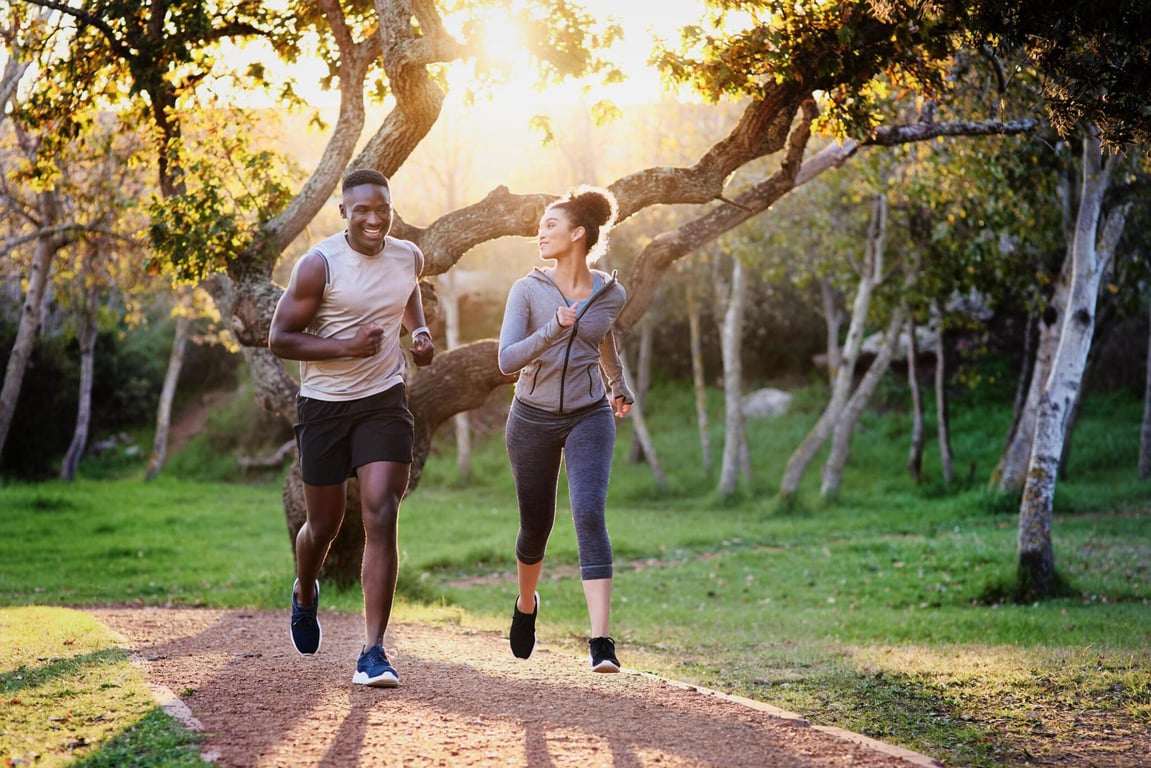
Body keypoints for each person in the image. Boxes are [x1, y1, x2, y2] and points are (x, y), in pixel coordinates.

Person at [268, 168, 434, 688]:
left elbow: (407, 291)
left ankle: (374, 651)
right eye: (361, 209)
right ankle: (305, 589)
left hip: (383, 400)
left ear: (390, 208)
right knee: (324, 525)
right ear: (343, 212)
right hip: (325, 406)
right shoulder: (318, 266)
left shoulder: (408, 255)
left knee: (381, 513)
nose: (373, 217)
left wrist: (420, 329)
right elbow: (279, 338)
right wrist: (344, 348)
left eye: (380, 208)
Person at [497, 185, 635, 672]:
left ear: (578, 233)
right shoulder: (527, 289)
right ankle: (527, 603)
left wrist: (616, 383)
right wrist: (553, 328)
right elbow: (506, 359)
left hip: (588, 414)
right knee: (537, 525)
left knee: (589, 512)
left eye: (550, 225)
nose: (541, 232)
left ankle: (601, 641)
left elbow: (601, 337)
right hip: (531, 417)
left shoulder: (611, 291)